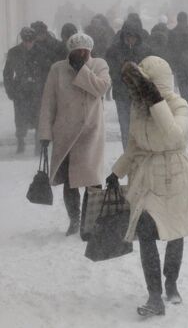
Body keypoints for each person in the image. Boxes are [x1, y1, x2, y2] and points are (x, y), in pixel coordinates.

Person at [107, 57, 188, 317]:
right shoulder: (138, 108)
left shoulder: (179, 105)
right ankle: (154, 295)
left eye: (146, 87)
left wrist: (157, 101)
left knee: (174, 232)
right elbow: (134, 146)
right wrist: (116, 172)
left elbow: (175, 136)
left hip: (176, 177)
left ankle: (171, 282)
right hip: (147, 179)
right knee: (146, 230)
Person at [38, 33, 111, 236]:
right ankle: (75, 220)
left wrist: (82, 70)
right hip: (66, 132)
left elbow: (101, 88)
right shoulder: (57, 69)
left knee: (92, 180)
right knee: (70, 180)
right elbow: (48, 103)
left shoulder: (99, 64)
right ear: (70, 51)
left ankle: (89, 223)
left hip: (91, 131)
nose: (81, 54)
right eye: (77, 51)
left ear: (90, 50)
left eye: (85, 51)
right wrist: (45, 133)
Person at [106, 20, 152, 149]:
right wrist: (123, 71)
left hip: (141, 94)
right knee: (125, 126)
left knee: (141, 126)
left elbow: (152, 70)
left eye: (133, 37)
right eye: (128, 36)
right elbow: (110, 71)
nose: (130, 40)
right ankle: (127, 153)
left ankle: (140, 152)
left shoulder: (146, 50)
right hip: (122, 93)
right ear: (123, 36)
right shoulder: (113, 51)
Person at [3, 27, 43, 154]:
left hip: (37, 91)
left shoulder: (41, 52)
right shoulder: (14, 52)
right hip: (20, 91)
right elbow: (7, 74)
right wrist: (10, 91)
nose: (28, 44)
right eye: (26, 41)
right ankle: (20, 143)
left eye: (30, 41)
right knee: (20, 118)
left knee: (38, 118)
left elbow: (46, 72)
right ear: (22, 40)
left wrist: (44, 87)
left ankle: (38, 144)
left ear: (34, 40)